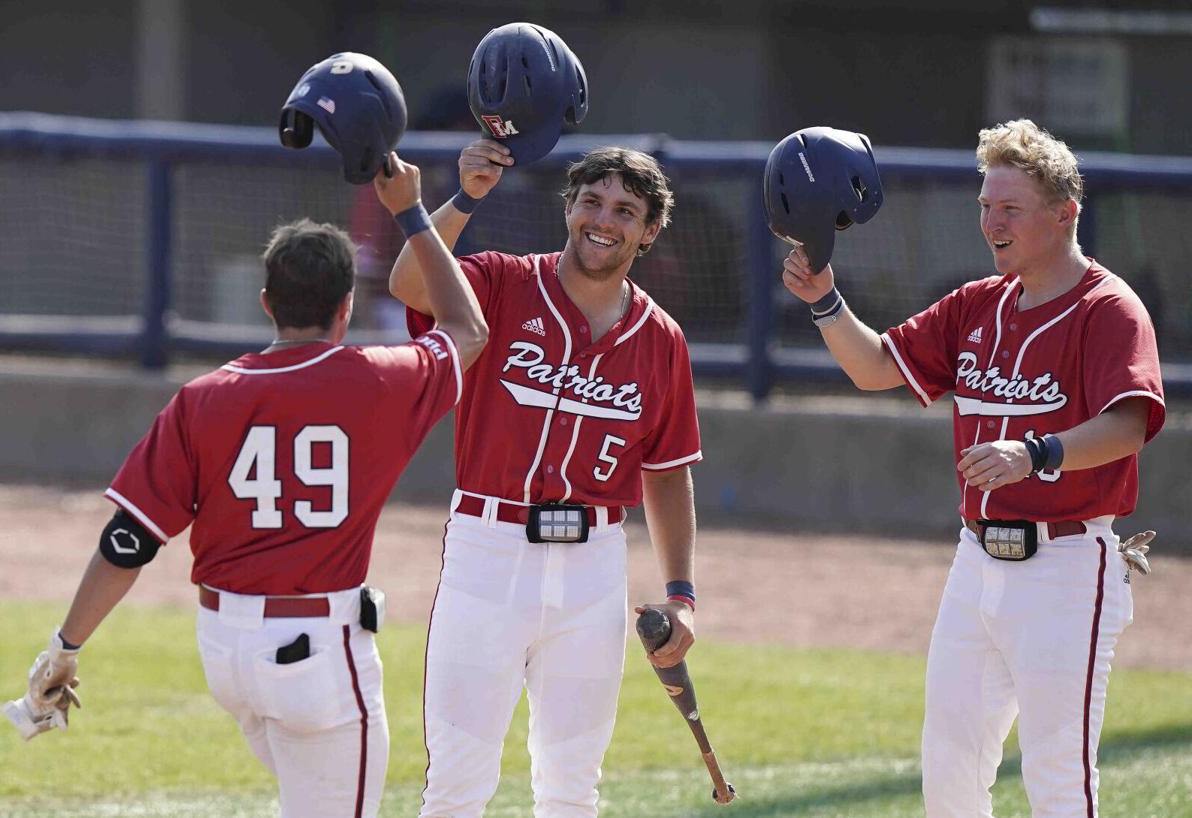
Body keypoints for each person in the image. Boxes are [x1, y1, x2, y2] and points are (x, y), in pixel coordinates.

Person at [2, 155, 488, 818]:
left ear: (267, 303)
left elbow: (128, 540)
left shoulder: (203, 398)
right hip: (316, 658)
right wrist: (408, 209)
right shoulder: (384, 378)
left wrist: (66, 646)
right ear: (346, 308)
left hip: (226, 653)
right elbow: (469, 329)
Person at [781, 119, 1165, 816]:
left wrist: (1035, 452)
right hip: (974, 562)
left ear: (1064, 213)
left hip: (1067, 567)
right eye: (985, 206)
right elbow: (874, 367)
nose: (991, 222)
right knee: (950, 773)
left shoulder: (1109, 309)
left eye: (1010, 208)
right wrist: (826, 302)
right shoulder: (975, 305)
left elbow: (1129, 423)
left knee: (1058, 779)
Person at [388, 140, 701, 817]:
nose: (603, 219)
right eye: (591, 201)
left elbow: (668, 471)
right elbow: (409, 285)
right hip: (486, 552)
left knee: (570, 788)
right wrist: (467, 194)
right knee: (457, 783)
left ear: (649, 232)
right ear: (568, 208)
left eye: (625, 209)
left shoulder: (662, 339)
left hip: (594, 569)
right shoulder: (499, 283)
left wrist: (681, 594)